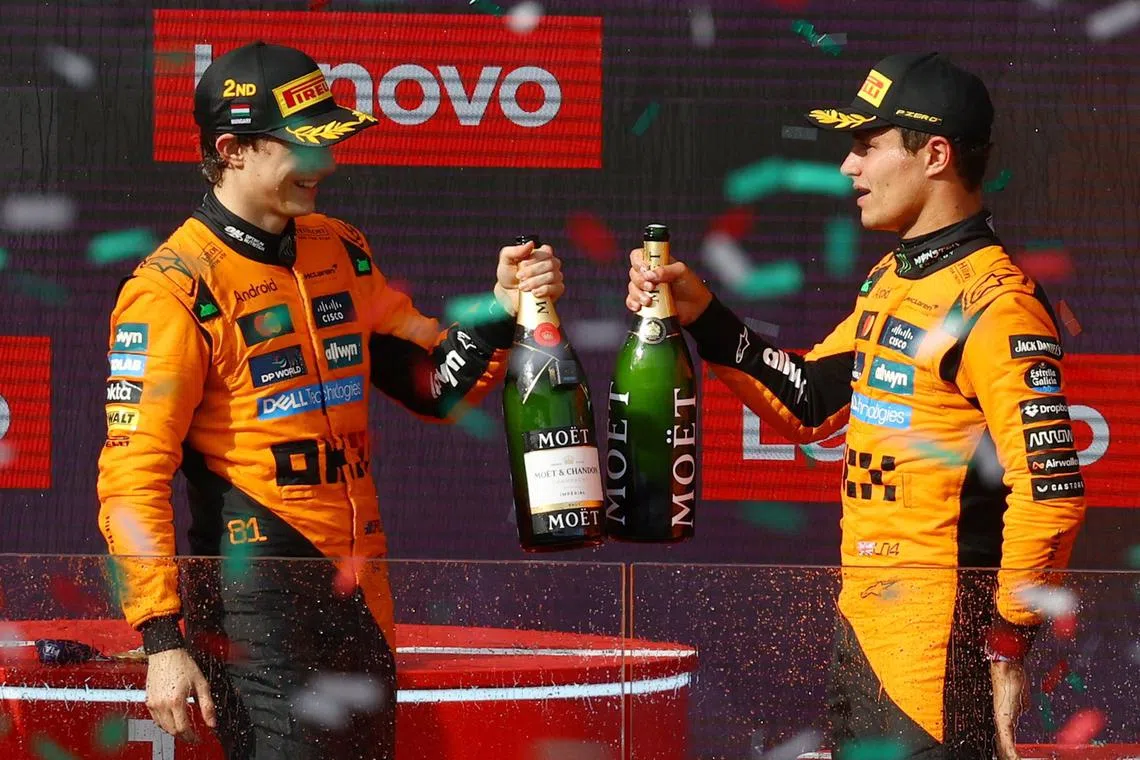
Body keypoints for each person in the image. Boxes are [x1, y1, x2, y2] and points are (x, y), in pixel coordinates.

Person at [97, 41, 564, 759]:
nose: (326, 166)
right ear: (233, 150)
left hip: (360, 585)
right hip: (255, 600)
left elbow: (434, 383)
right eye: (303, 149)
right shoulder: (171, 289)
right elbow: (132, 476)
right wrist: (160, 638)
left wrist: (502, 306)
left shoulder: (340, 249)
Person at [625, 53, 1086, 760]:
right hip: (867, 631)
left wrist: (1005, 646)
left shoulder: (998, 304)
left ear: (933, 154)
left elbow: (1050, 493)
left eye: (866, 146)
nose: (848, 168)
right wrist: (702, 313)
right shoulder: (895, 277)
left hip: (940, 651)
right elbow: (807, 401)